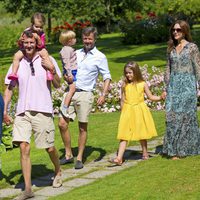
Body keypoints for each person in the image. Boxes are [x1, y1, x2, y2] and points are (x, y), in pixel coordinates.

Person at [3, 30, 62, 200]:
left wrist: (52, 69)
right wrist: (5, 110)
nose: (29, 46)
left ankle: (58, 170)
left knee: (49, 147)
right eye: (26, 43)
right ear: (22, 44)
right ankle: (28, 189)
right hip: (22, 111)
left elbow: (58, 85)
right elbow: (9, 88)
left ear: (37, 44)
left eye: (32, 43)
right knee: (23, 146)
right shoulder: (18, 62)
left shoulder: (46, 59)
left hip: (43, 110)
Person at [59, 27, 111, 169]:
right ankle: (68, 154)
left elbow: (106, 77)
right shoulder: (75, 52)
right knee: (62, 124)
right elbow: (67, 68)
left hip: (85, 94)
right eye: (85, 38)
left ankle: (80, 158)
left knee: (82, 127)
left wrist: (103, 94)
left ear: (94, 39)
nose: (87, 41)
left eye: (90, 39)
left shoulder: (100, 57)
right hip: (70, 90)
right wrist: (65, 75)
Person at [109, 61, 164, 165]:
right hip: (127, 111)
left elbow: (151, 97)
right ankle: (119, 158)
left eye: (130, 72)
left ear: (136, 72)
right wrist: (122, 111)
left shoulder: (142, 84)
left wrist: (160, 98)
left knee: (141, 132)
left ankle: (145, 153)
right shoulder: (124, 85)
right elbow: (123, 99)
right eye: (126, 73)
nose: (128, 75)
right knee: (123, 135)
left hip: (139, 110)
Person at [162, 20, 200, 159]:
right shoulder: (171, 48)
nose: (175, 32)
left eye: (178, 30)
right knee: (172, 117)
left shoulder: (192, 48)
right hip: (173, 86)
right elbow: (168, 68)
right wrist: (166, 87)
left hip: (187, 86)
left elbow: (197, 67)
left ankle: (183, 150)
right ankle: (173, 148)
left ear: (184, 31)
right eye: (173, 30)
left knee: (186, 118)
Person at [8, 12, 54, 81]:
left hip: (38, 49)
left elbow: (42, 45)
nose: (39, 29)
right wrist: (20, 40)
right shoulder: (26, 31)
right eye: (37, 26)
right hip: (26, 49)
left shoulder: (42, 34)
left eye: (41, 27)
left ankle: (48, 71)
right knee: (16, 56)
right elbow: (20, 44)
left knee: (45, 54)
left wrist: (38, 38)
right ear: (32, 24)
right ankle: (14, 73)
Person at [59, 30, 77, 117]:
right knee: (72, 89)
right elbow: (66, 63)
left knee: (73, 89)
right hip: (71, 72)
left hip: (73, 71)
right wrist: (69, 73)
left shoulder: (69, 49)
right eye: (74, 38)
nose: (75, 40)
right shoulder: (66, 50)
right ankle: (65, 107)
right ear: (69, 40)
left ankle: (68, 107)